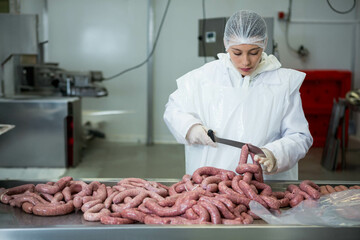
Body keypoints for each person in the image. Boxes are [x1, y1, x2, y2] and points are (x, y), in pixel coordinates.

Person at [163, 10, 313, 180]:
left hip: (265, 187)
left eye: (254, 52)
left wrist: (275, 154)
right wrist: (190, 128)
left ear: (264, 44)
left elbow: (299, 136)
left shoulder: (283, 83)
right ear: (226, 45)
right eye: (237, 52)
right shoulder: (203, 78)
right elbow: (173, 110)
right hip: (210, 187)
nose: (246, 62)